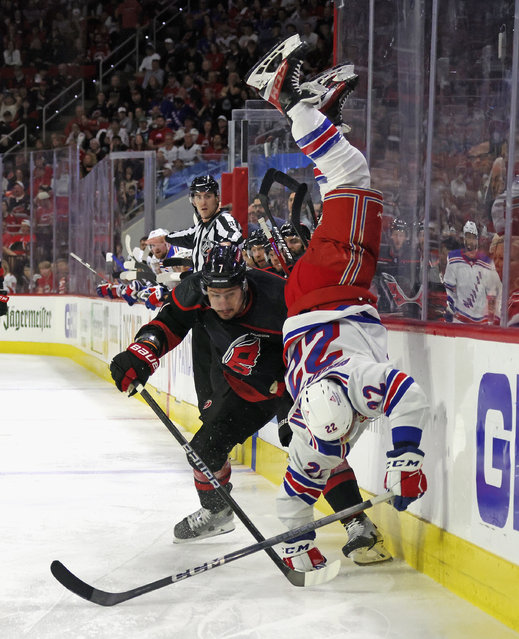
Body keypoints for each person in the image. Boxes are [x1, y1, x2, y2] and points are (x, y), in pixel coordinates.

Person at [246, 35, 428, 571]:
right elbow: (293, 496)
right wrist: (296, 547)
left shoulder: (349, 381)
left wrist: (406, 459)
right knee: (344, 189)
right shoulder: (312, 436)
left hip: (332, 291)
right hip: (306, 301)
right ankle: (320, 112)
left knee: (353, 179)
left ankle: (287, 99)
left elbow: (408, 396)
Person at [109, 244, 293, 542]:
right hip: (238, 385)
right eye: (214, 295)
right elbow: (169, 323)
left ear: (244, 283)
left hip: (286, 383)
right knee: (204, 452)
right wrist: (142, 352)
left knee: (310, 446)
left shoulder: (277, 295)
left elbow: (305, 351)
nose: (221, 303)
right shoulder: (196, 289)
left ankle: (355, 520)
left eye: (230, 294)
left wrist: (288, 405)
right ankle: (217, 512)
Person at [165, 175, 243, 271]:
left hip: (215, 283)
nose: (203, 203)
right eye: (198, 197)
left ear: (217, 198)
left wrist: (226, 246)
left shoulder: (223, 220)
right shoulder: (200, 226)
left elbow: (235, 237)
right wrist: (164, 238)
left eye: (208, 196)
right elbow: (185, 235)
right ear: (193, 201)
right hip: (200, 281)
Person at [443, 220, 501, 323]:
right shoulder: (454, 258)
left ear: (478, 240)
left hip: (481, 320)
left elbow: (494, 291)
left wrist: (492, 316)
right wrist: (451, 307)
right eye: (468, 237)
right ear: (464, 238)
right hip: (460, 316)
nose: (470, 241)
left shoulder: (487, 263)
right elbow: (449, 288)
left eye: (473, 237)